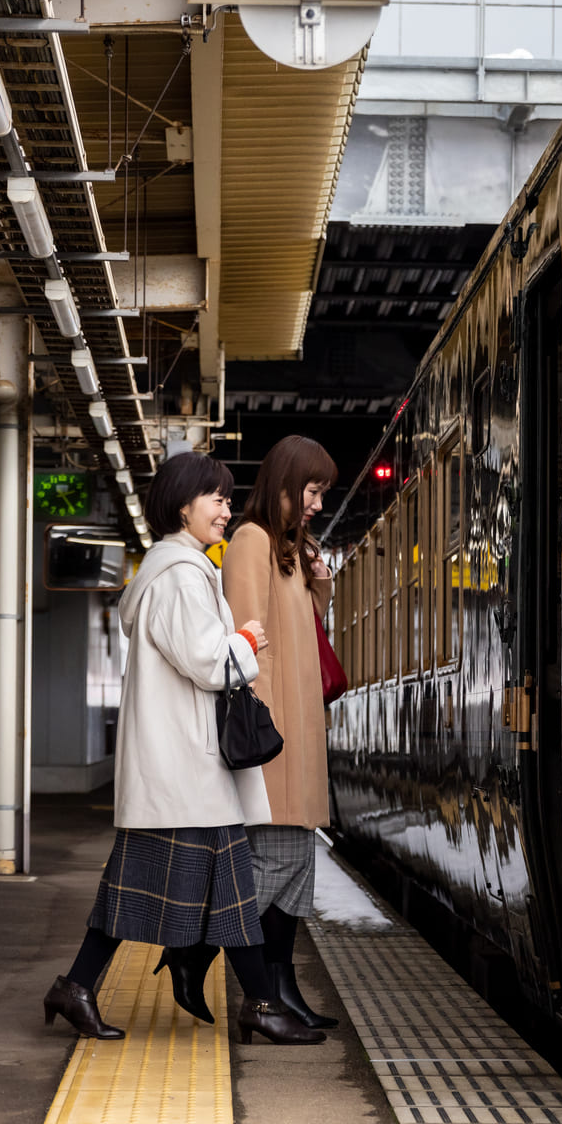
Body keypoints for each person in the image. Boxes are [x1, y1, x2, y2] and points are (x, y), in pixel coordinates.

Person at [41, 451, 325, 1046]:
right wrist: (246, 640)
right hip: (185, 776)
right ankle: (258, 1005)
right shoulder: (178, 576)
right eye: (216, 499)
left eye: (225, 499)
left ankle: (81, 989)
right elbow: (208, 662)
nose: (225, 509)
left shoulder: (177, 570)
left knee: (189, 895)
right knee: (206, 893)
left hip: (184, 775)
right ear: (182, 507)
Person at [224, 435, 341, 1030]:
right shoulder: (251, 542)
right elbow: (249, 645)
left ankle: (284, 988)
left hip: (298, 739)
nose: (318, 503)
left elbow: (304, 633)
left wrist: (319, 581)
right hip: (274, 743)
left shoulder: (289, 551)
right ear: (287, 484)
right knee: (269, 873)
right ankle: (263, 998)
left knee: (295, 873)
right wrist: (264, 731)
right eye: (313, 490)